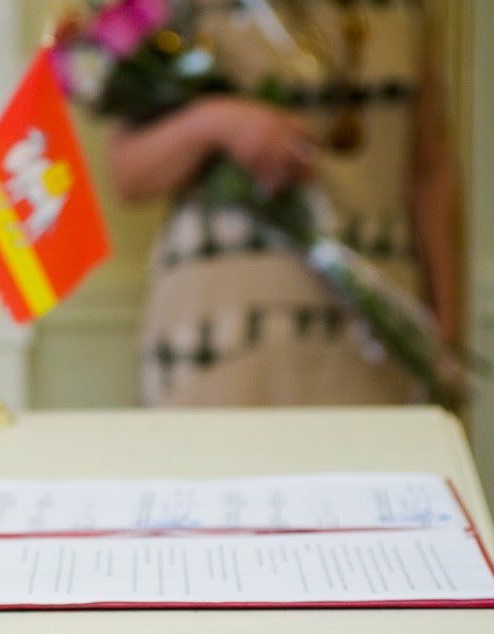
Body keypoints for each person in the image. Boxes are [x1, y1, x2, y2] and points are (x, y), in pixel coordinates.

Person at [106, 0, 461, 406]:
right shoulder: (182, 12)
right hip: (222, 335)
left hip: (374, 328)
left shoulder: (403, 13)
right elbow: (128, 174)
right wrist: (218, 124)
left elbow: (430, 172)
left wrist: (446, 324)